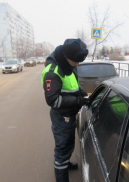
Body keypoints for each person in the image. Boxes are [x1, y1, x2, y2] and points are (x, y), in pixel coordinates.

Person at [41, 38, 89, 182]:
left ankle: (65, 163)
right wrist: (78, 101)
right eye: (76, 61)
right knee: (62, 148)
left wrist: (82, 93)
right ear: (68, 57)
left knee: (68, 143)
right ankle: (62, 171)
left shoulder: (68, 64)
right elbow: (53, 100)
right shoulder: (53, 72)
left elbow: (73, 83)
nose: (77, 64)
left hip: (69, 113)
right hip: (62, 116)